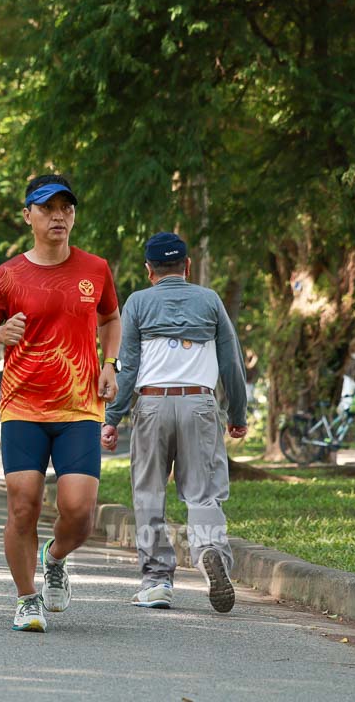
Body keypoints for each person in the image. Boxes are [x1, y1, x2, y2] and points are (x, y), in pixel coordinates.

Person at [0, 174, 121, 633]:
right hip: (23, 405)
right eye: (47, 208)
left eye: (66, 208)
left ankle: (54, 558)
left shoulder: (95, 268)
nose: (58, 216)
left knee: (79, 513)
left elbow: (111, 317)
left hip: (79, 406)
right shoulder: (7, 275)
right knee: (23, 506)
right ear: (28, 216)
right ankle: (26, 598)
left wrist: (110, 363)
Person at [102, 232, 249, 613]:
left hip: (152, 405)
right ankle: (210, 551)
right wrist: (237, 414)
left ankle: (156, 582)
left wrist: (112, 417)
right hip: (199, 404)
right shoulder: (209, 300)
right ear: (187, 266)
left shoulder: (138, 302)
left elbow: (127, 365)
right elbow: (232, 362)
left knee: (149, 493)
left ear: (148, 270)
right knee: (204, 493)